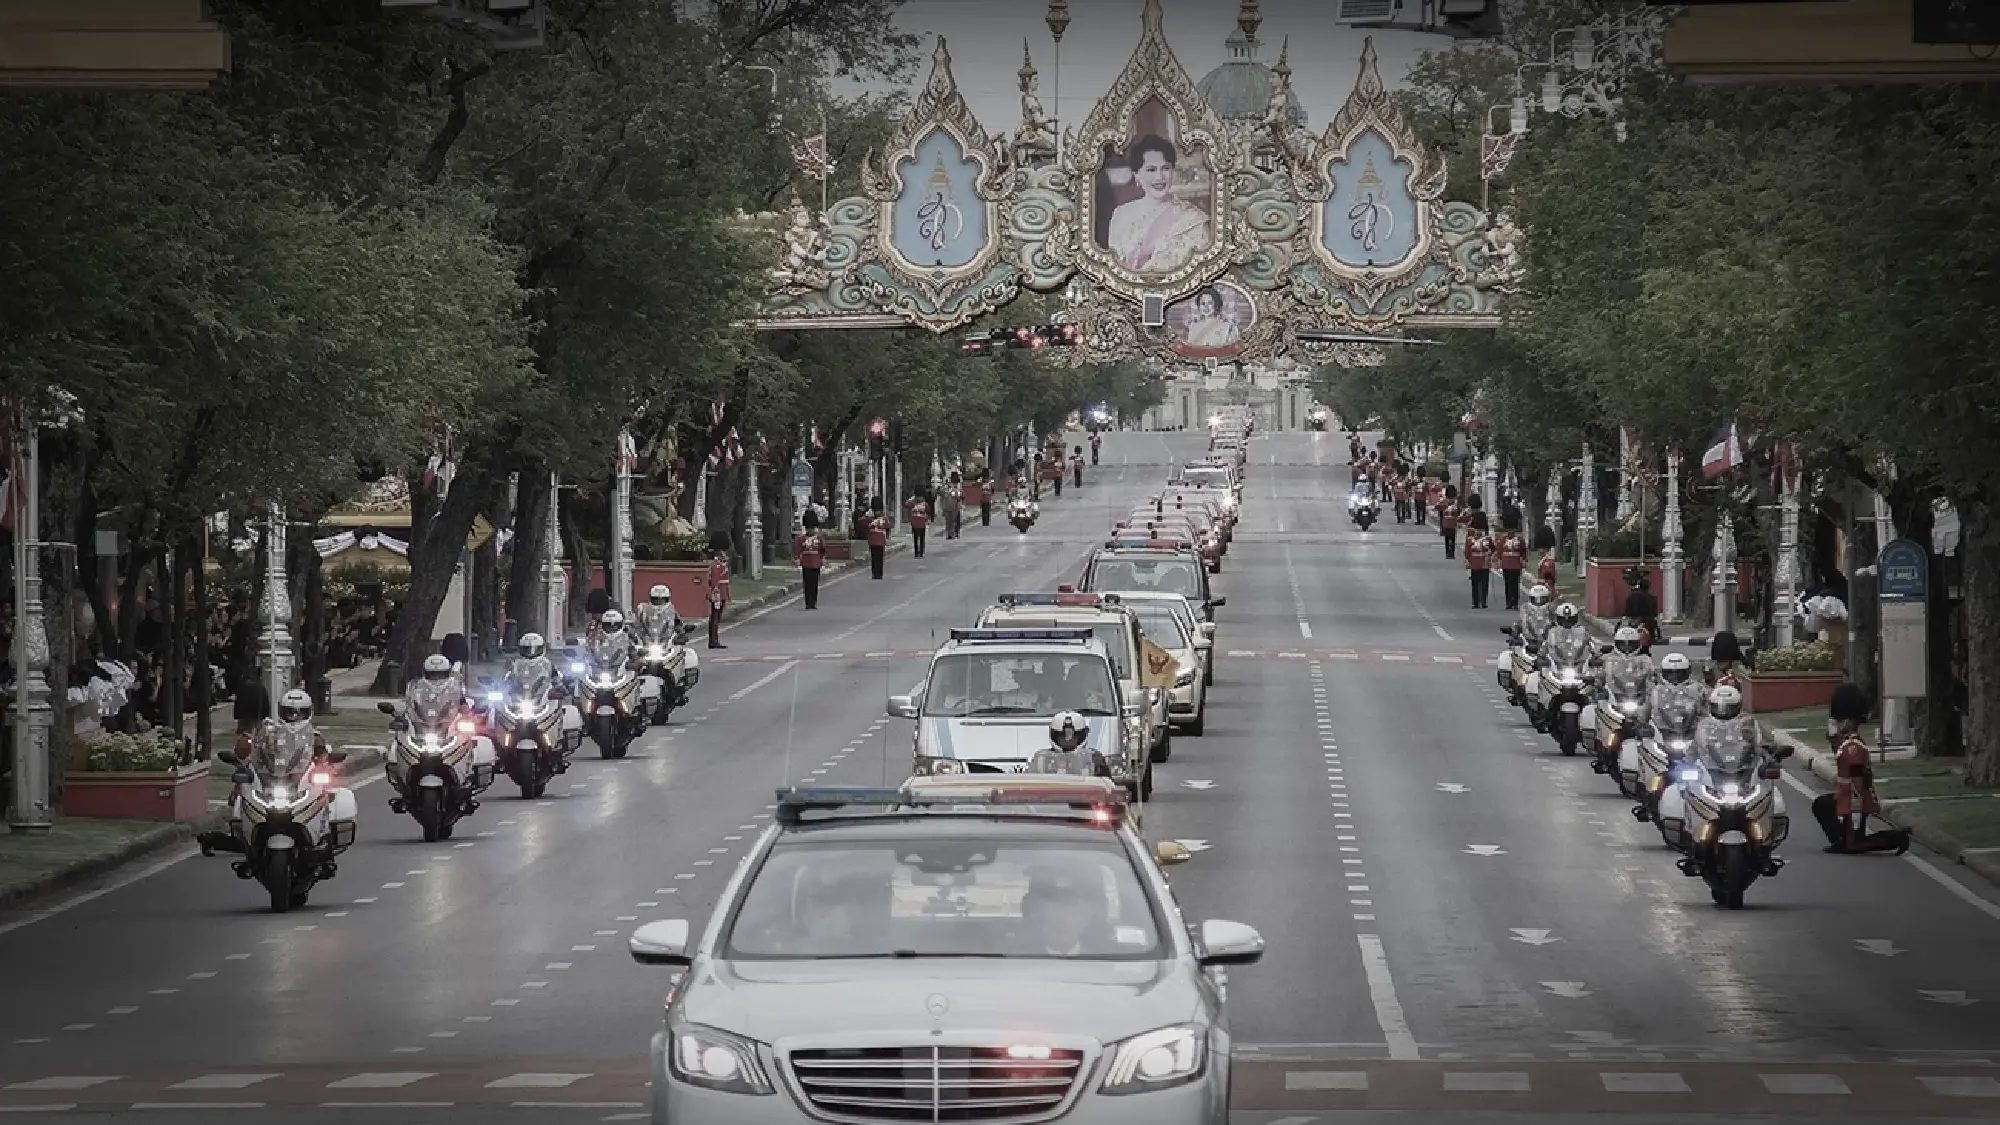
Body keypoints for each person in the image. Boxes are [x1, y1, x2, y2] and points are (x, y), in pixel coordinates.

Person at [1812, 682, 1911, 855]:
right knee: (1822, 805)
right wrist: (1833, 740)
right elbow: (1841, 759)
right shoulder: (1848, 743)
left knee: (1855, 846)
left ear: (1849, 721)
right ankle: (1841, 839)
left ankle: (1896, 838)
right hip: (1846, 797)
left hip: (1854, 801)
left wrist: (1855, 811)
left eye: (1841, 720)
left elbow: (1857, 782)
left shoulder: (1853, 747)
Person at [1104, 134, 1210, 274]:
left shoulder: (1193, 218)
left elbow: (1203, 270)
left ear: (1173, 170)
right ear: (1137, 175)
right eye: (1151, 169)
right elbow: (1116, 271)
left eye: (1165, 168)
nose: (1159, 177)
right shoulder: (1121, 215)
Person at [1022, 867, 1113, 957]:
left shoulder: (1108, 960)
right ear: (1039, 916)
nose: (1062, 920)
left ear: (1087, 919)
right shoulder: (1019, 961)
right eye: (1055, 910)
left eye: (1071, 911)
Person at [1026, 710, 1113, 778]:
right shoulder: (1041, 759)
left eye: (1074, 736)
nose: (1068, 740)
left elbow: (1106, 788)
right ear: (1054, 735)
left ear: (1083, 734)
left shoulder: (1094, 758)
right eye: (1062, 736)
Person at [1622, 568, 1661, 652]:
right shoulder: (1652, 598)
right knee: (1646, 645)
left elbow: (1627, 612)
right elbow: (1655, 614)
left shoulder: (1632, 596)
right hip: (1649, 625)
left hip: (1634, 624)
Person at [794, 510, 827, 610]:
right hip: (806, 563)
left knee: (814, 584)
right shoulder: (801, 538)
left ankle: (813, 602)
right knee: (807, 584)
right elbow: (797, 550)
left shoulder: (819, 538)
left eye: (812, 528)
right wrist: (797, 559)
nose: (811, 530)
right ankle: (808, 602)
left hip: (816, 563)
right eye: (809, 528)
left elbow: (822, 549)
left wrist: (823, 559)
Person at [589, 608, 636, 673]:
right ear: (602, 625)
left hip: (622, 671)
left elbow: (635, 655)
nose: (611, 628)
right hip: (598, 670)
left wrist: (636, 661)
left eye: (615, 625)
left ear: (621, 624)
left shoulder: (627, 638)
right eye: (608, 625)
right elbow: (586, 649)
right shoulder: (596, 637)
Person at [704, 536, 732, 649]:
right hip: (718, 592)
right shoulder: (716, 563)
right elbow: (715, 578)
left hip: (722, 590)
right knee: (715, 617)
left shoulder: (720, 561)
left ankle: (714, 639)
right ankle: (713, 640)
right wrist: (715, 592)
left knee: (717, 617)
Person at [1494, 519, 1528, 610]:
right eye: (1509, 529)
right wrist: (1498, 561)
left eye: (1512, 529)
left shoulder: (1519, 540)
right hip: (1506, 564)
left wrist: (1524, 560)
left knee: (1515, 584)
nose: (1511, 531)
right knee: (1507, 584)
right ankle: (1508, 602)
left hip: (1516, 564)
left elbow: (1523, 551)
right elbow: (1499, 551)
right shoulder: (1502, 540)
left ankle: (1515, 602)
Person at [1464, 512, 1493, 608]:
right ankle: (1475, 602)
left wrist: (1490, 556)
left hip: (1484, 562)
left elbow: (1493, 548)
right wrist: (1468, 561)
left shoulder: (1487, 539)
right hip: (1475, 563)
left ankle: (1484, 601)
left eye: (1481, 529)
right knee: (1475, 583)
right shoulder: (1470, 539)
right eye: (1477, 529)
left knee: (1485, 583)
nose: (1479, 531)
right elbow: (1467, 551)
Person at [864, 498, 889, 579]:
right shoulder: (870, 518)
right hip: (874, 539)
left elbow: (887, 527)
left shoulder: (882, 518)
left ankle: (878, 573)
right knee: (875, 557)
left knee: (879, 557)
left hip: (878, 539)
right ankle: (876, 573)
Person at [905, 492, 930, 559]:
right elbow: (928, 510)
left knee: (916, 538)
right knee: (921, 538)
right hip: (921, 522)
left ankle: (916, 552)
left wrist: (911, 499)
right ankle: (921, 552)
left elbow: (906, 505)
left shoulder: (912, 503)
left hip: (915, 522)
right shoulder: (924, 504)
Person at [1438, 486, 1461, 559]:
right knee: (1453, 538)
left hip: (1446, 522)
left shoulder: (1444, 501)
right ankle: (1452, 553)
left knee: (1447, 538)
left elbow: (1438, 507)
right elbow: (1459, 512)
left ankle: (1447, 552)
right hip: (1453, 523)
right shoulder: (1456, 502)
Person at [940, 473, 963, 540]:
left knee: (952, 521)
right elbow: (941, 495)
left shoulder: (955, 490)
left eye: (950, 483)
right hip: (946, 508)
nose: (949, 484)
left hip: (954, 508)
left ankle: (952, 533)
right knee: (947, 522)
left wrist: (955, 493)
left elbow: (959, 497)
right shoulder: (944, 490)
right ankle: (948, 534)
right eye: (948, 483)